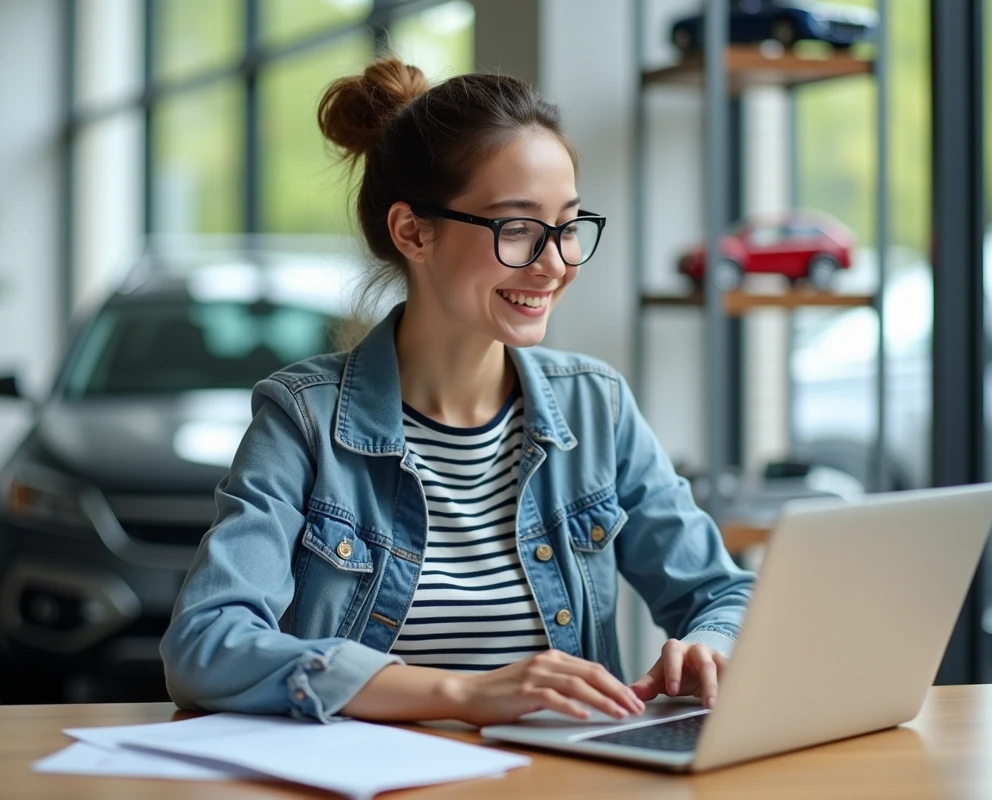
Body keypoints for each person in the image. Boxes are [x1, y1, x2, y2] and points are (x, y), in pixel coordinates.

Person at [160, 58, 754, 726]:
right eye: (519, 228)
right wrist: (460, 694)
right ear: (413, 231)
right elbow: (205, 645)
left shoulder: (597, 405)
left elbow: (724, 593)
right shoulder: (301, 420)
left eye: (566, 225)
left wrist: (710, 644)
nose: (555, 263)